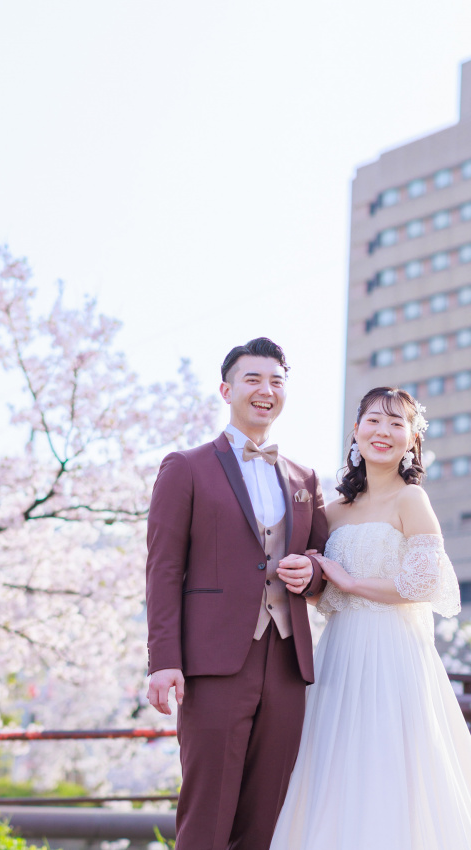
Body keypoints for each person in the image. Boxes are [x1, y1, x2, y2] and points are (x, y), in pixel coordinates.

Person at [269, 386, 471, 850]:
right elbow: (316, 587)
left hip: (395, 654)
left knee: (392, 765)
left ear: (412, 440)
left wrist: (352, 581)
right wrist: (316, 577)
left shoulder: (411, 500)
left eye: (397, 423)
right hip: (339, 654)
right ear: (355, 432)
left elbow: (424, 585)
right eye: (374, 421)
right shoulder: (330, 510)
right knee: (334, 765)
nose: (384, 431)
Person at [145, 337, 329, 850]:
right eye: (253, 379)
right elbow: (163, 570)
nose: (265, 390)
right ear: (226, 390)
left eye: (276, 380)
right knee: (207, 815)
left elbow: (322, 562)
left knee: (266, 817)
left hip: (288, 663)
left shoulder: (304, 478)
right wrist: (164, 660)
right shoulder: (186, 466)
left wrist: (308, 573)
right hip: (215, 663)